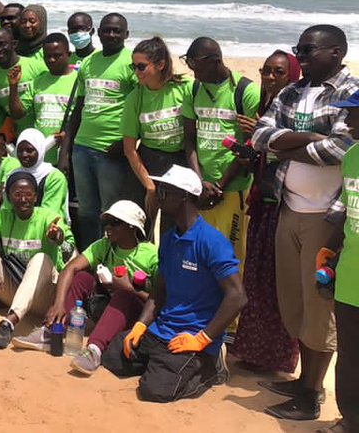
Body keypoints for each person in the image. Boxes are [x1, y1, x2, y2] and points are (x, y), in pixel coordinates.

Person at [251, 24, 359, 420]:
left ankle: (311, 395)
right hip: (288, 207)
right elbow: (260, 137)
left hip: (324, 216)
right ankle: (301, 380)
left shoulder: (350, 92)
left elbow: (342, 148)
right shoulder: (292, 91)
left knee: (319, 310)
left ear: (336, 51)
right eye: (299, 49)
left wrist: (287, 144)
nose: (301, 56)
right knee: (294, 302)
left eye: (308, 50)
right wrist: (311, 136)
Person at [102, 165, 245, 403]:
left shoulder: (211, 242)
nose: (158, 196)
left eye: (165, 191)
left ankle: (209, 368)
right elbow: (160, 291)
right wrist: (140, 326)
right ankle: (164, 366)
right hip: (162, 331)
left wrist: (203, 338)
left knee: (154, 391)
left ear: (185, 197)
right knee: (113, 357)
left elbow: (238, 297)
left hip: (192, 337)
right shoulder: (169, 239)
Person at [14, 200, 158, 375]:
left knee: (123, 295)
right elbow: (71, 268)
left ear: (131, 227)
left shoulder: (151, 255)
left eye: (115, 223)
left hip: (135, 313)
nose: (108, 228)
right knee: (82, 277)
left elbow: (160, 298)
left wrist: (129, 288)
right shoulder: (104, 246)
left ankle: (94, 350)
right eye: (107, 223)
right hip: (105, 306)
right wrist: (59, 303)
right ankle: (52, 332)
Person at [232, 50, 301, 374]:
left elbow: (293, 150)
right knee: (256, 279)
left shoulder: (294, 111)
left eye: (278, 72)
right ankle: (252, 351)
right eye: (266, 71)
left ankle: (277, 358)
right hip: (263, 201)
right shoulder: (264, 107)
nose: (270, 78)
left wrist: (262, 133)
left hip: (286, 204)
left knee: (280, 283)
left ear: (292, 76)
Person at [0, 171, 73, 348]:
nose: (23, 199)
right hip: (14, 288)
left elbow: (70, 249)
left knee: (40, 258)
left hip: (43, 296)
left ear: (35, 196)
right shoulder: (3, 216)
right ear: (8, 197)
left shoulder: (47, 217)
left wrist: (58, 238)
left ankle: (8, 324)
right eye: (17, 194)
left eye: (28, 194)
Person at [180, 36, 260, 267]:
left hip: (232, 189)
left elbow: (248, 146)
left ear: (215, 61)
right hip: (201, 189)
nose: (193, 73)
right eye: (190, 66)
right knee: (200, 251)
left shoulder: (245, 92)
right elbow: (189, 140)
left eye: (196, 66)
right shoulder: (193, 89)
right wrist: (199, 182)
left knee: (231, 254)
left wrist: (220, 186)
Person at [61, 13, 137, 250]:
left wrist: (127, 144)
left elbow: (141, 106)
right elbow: (79, 107)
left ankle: (111, 260)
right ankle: (90, 259)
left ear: (126, 34)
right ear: (98, 32)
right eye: (106, 30)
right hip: (82, 148)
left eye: (117, 31)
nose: (111, 35)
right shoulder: (90, 63)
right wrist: (67, 149)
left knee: (111, 212)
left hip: (110, 151)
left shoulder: (131, 63)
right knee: (85, 211)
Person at [120, 37, 191, 231]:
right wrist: (149, 186)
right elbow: (129, 149)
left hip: (177, 163)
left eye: (141, 67)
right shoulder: (134, 98)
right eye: (133, 67)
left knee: (172, 228)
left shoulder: (184, 89)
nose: (136, 72)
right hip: (147, 161)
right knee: (139, 225)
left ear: (160, 65)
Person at [325, 92, 359, 432]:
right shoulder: (351, 158)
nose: (347, 123)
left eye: (354, 115)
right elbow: (347, 212)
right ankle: (350, 420)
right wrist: (329, 257)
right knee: (349, 358)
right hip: (350, 278)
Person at [0, 27, 46, 144]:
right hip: (18, 138)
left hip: (43, 132)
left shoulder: (37, 67)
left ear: (14, 44)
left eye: (2, 44)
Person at [10, 33, 77, 164]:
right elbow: (18, 114)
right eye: (48, 56)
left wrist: (69, 136)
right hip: (40, 154)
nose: (51, 60)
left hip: (68, 153)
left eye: (57, 56)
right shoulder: (37, 82)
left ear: (68, 55)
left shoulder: (78, 81)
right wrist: (13, 86)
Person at [12, 128, 69, 217]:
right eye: (20, 151)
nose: (24, 155)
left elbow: (49, 212)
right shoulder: (13, 175)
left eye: (29, 150)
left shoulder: (54, 177)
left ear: (40, 150)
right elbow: (7, 210)